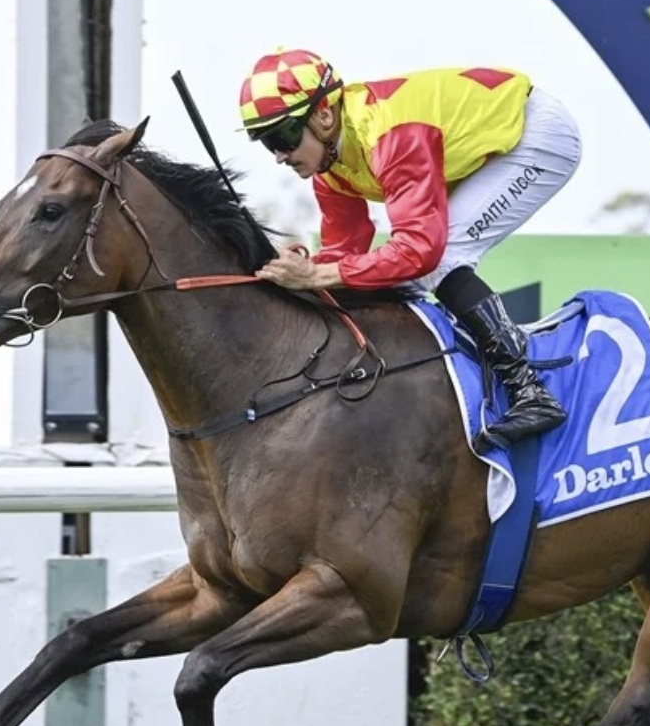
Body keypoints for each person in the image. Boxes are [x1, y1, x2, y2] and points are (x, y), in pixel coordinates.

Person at [238, 47, 581, 450]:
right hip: (484, 143)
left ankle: (529, 389)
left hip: (534, 135)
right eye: (267, 144)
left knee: (441, 259)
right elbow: (344, 256)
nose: (279, 156)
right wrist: (304, 271)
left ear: (324, 115)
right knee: (400, 267)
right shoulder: (331, 168)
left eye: (283, 137)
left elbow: (421, 250)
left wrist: (317, 275)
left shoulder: (389, 134)